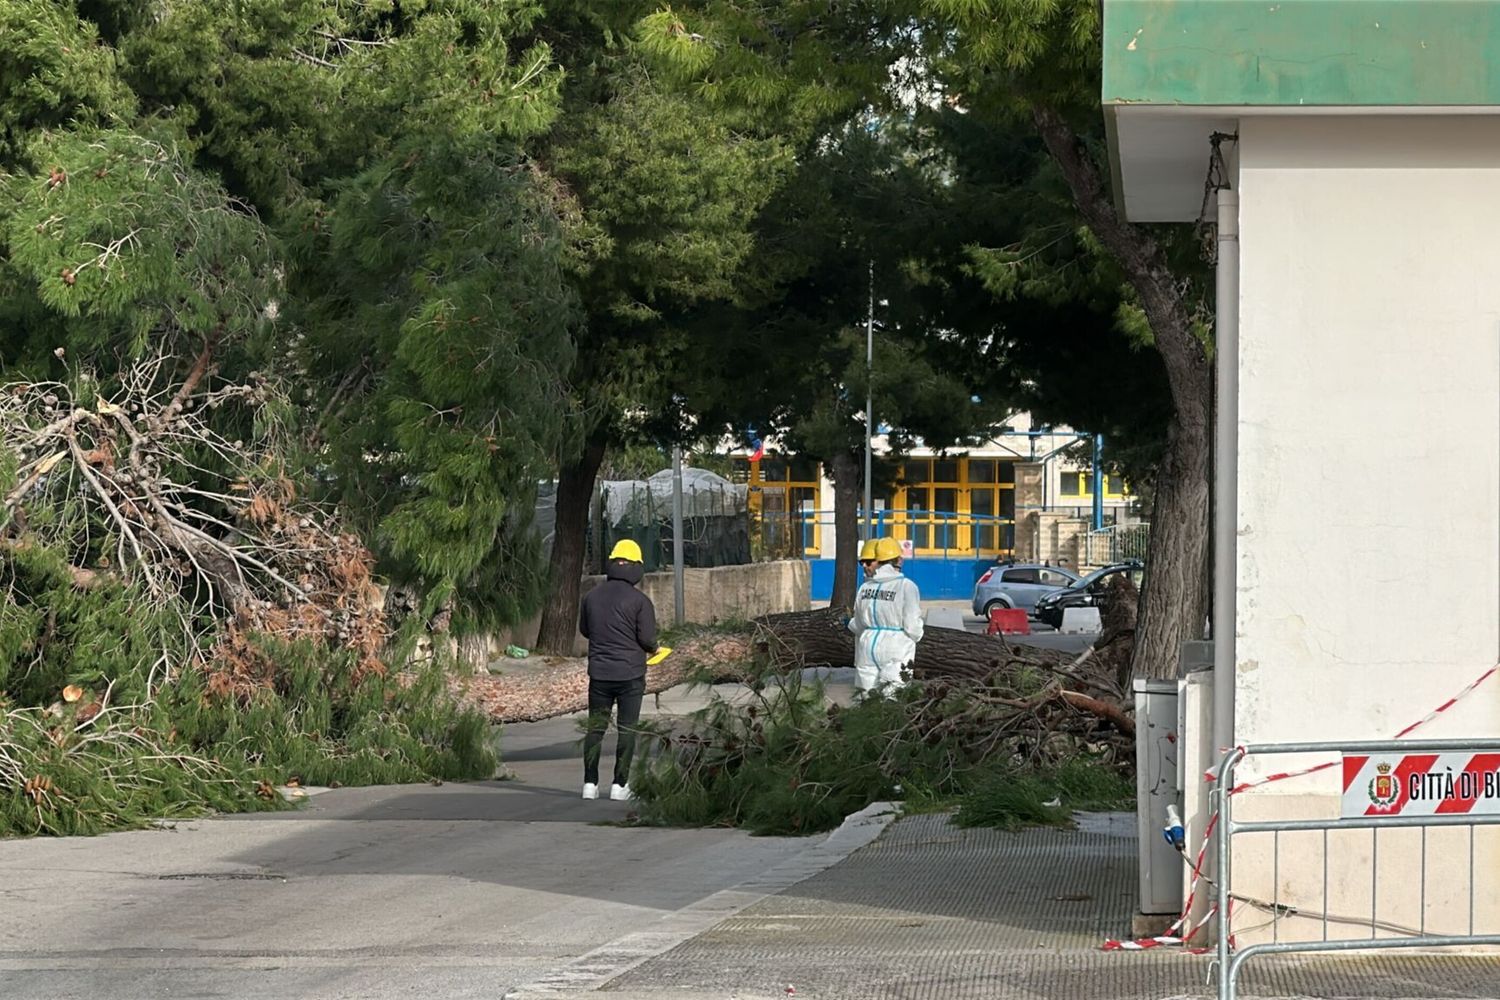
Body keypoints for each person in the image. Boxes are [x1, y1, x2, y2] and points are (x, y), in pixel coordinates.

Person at [578, 539, 658, 801]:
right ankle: (619, 785)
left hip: (599, 674)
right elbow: (647, 640)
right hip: (630, 675)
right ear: (636, 567)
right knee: (627, 729)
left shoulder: (590, 597)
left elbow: (586, 631)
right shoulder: (640, 601)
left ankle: (589, 784)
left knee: (595, 729)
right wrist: (656, 650)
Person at [846, 537, 923, 695]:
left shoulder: (865, 588)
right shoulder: (907, 587)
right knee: (893, 698)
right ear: (899, 560)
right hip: (897, 646)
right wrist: (917, 635)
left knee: (865, 697)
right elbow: (912, 626)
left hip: (867, 645)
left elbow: (859, 624)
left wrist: (851, 625)